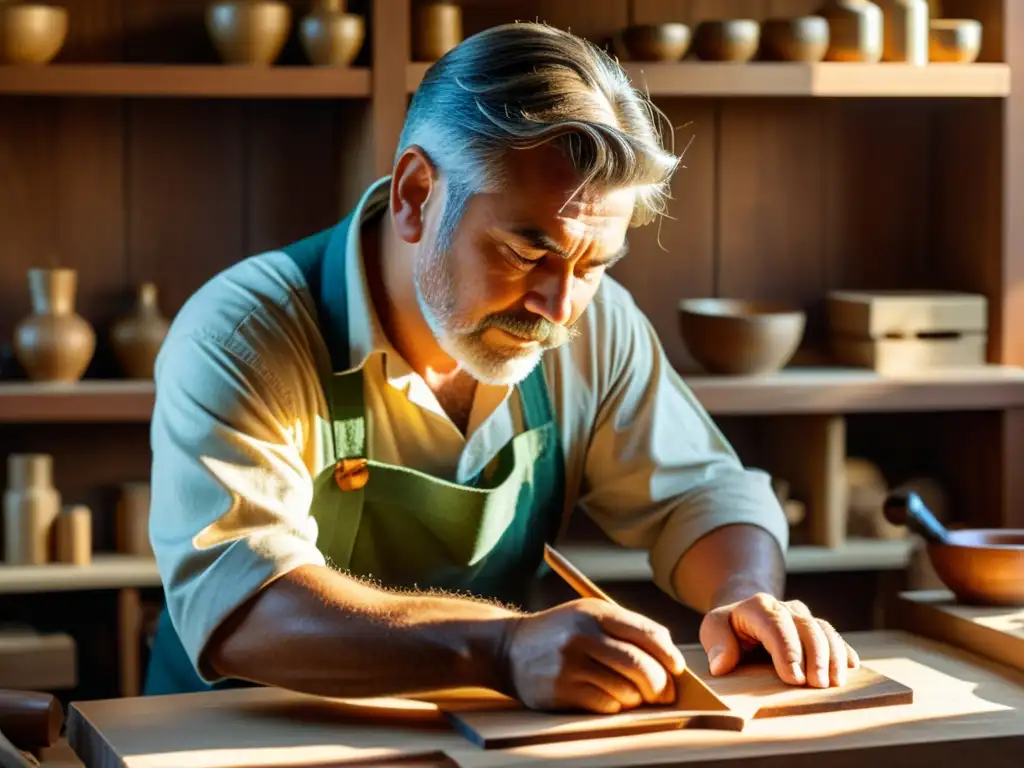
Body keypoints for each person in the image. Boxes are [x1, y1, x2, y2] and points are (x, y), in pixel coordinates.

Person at [143, 21, 858, 712]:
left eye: (594, 265)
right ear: (416, 195)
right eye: (525, 253)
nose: (559, 306)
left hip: (474, 737)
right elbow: (247, 607)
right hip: (238, 739)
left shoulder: (595, 325)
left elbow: (702, 495)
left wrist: (743, 592)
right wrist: (502, 649)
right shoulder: (244, 334)